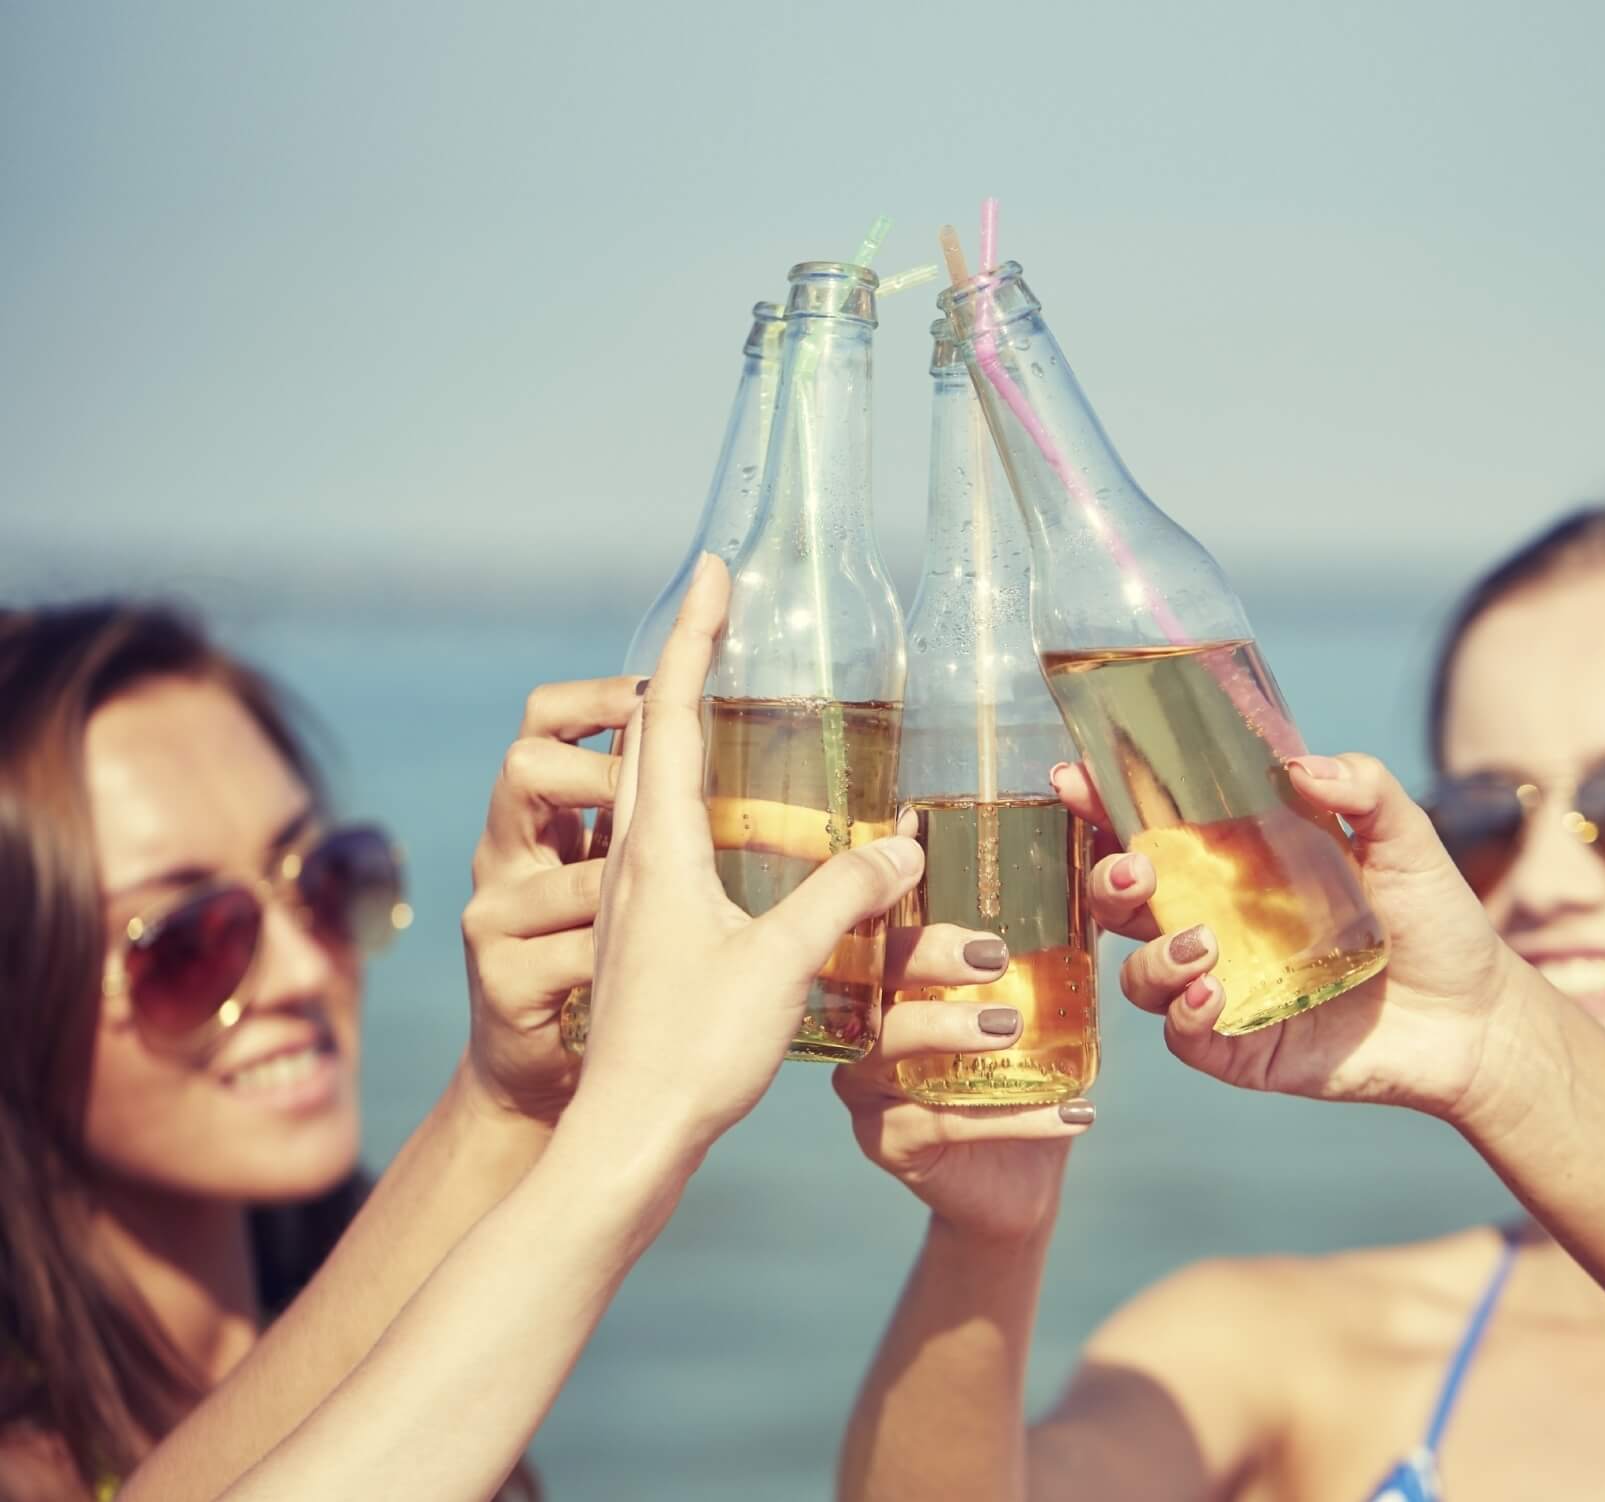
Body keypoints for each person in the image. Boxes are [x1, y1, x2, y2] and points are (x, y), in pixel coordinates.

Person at [837, 495, 1605, 1500]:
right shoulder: (1274, 1348)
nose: (1553, 882)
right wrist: (987, 1235)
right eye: (1483, 816)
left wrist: (1500, 1038)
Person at [0, 575, 1020, 1501]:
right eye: (191, 941)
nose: (307, 972)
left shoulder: (416, 1320)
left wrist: (514, 1091)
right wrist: (645, 1109)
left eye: (323, 880)